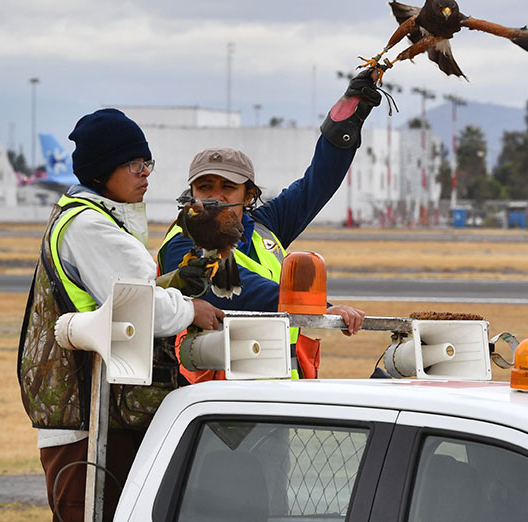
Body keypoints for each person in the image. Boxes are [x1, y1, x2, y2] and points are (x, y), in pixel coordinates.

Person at [17, 108, 224, 522]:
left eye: (147, 162)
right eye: (133, 164)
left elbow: (119, 299)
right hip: (91, 422)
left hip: (103, 416)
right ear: (101, 172)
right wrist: (190, 308)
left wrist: (173, 282)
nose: (145, 172)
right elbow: (141, 310)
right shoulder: (93, 227)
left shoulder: (91, 219)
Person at [158, 69, 382, 378]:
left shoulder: (264, 225)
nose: (216, 198)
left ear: (248, 194)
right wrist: (318, 307)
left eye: (228, 187)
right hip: (216, 402)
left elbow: (316, 184)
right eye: (205, 187)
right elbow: (234, 289)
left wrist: (344, 122)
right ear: (192, 192)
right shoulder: (183, 239)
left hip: (278, 395)